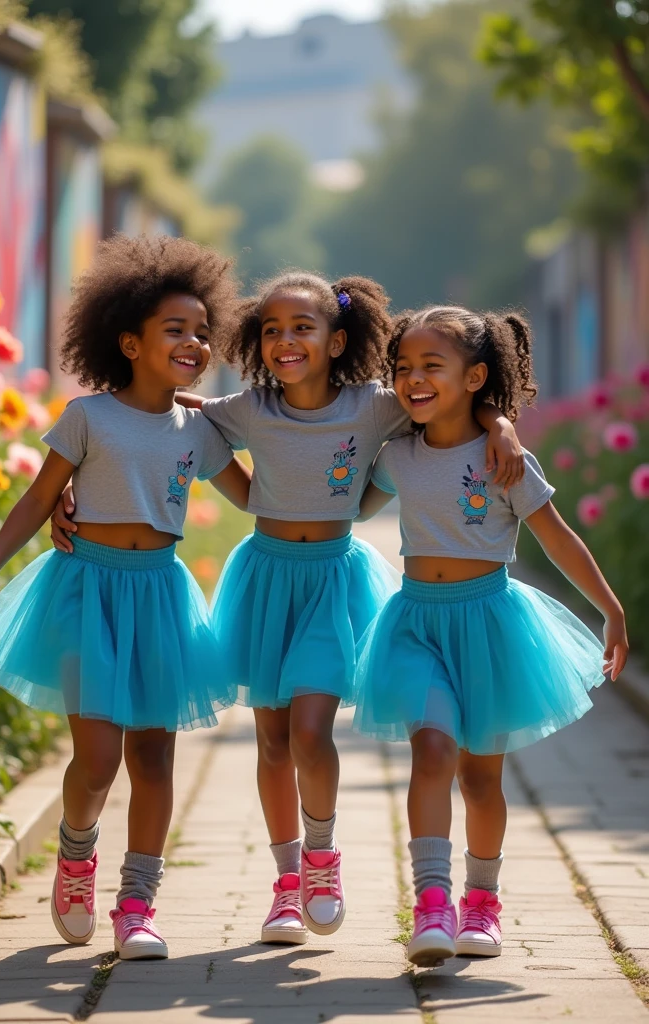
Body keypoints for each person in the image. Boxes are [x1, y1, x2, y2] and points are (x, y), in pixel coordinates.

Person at [152, 272, 521, 944]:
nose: (285, 341)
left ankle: (323, 862)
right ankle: (287, 886)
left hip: (333, 581)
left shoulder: (374, 405)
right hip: (265, 580)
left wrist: (501, 423)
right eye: (271, 330)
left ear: (337, 339)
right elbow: (183, 422)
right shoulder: (247, 407)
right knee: (270, 740)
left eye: (302, 328)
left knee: (310, 731)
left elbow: (444, 402)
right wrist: (251, 496)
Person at [0, 235, 251, 961]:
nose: (193, 342)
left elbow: (257, 495)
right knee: (96, 761)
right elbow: (38, 496)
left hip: (161, 595)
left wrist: (330, 471)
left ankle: (138, 903)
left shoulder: (200, 426)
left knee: (154, 757)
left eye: (200, 330)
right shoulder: (88, 415)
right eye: (174, 330)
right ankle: (76, 855)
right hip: (87, 589)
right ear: (128, 341)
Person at [354, 305, 628, 967]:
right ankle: (431, 905)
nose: (413, 379)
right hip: (415, 624)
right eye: (403, 369)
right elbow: (338, 502)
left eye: (431, 367)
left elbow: (556, 536)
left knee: (480, 779)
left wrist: (612, 610)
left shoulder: (505, 459)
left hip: (490, 626)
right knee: (432, 752)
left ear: (475, 376)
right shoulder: (397, 454)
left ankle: (482, 902)